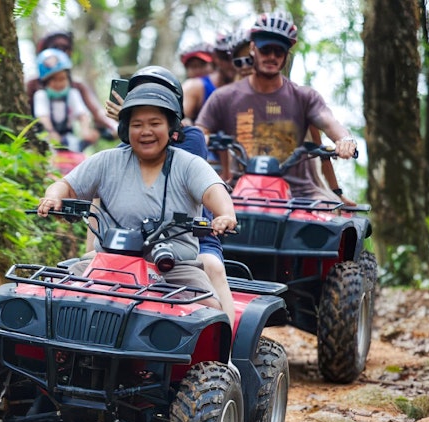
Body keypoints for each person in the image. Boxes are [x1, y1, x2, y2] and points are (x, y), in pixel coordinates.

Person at [37, 83, 238, 320]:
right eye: (137, 125)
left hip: (174, 268)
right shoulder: (106, 160)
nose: (146, 131)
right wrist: (52, 197)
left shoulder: (189, 164)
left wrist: (225, 214)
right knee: (53, 297)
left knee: (209, 313)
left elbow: (213, 190)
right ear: (125, 129)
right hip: (108, 263)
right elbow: (66, 185)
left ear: (171, 128)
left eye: (155, 124)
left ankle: (226, 358)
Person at [103, 66, 236, 320]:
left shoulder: (192, 138)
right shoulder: (128, 142)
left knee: (213, 267)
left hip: (188, 234)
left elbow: (169, 147)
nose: (149, 100)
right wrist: (130, 122)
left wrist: (141, 122)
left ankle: (225, 350)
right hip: (133, 236)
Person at [196, 11, 359, 201]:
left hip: (301, 195)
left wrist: (345, 140)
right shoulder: (224, 97)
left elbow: (330, 123)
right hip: (239, 192)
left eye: (279, 51)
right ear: (252, 48)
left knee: (334, 225)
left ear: (286, 55)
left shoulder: (304, 96)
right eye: (266, 50)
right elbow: (200, 130)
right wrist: (202, 137)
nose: (272, 57)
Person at [26, 30, 118, 138]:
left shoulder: (76, 86)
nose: (61, 53)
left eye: (65, 48)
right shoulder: (32, 84)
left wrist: (114, 127)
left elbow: (97, 111)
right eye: (55, 48)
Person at [32, 48, 98, 150]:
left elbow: (82, 114)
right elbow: (43, 117)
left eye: (62, 79)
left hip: (67, 138)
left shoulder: (72, 94)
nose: (58, 84)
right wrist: (51, 132)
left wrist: (85, 130)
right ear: (45, 82)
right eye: (54, 80)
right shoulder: (41, 95)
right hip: (47, 137)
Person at [182, 28, 250, 125]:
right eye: (225, 57)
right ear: (215, 58)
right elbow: (178, 119)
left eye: (237, 57)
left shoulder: (253, 88)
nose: (231, 63)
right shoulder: (195, 87)